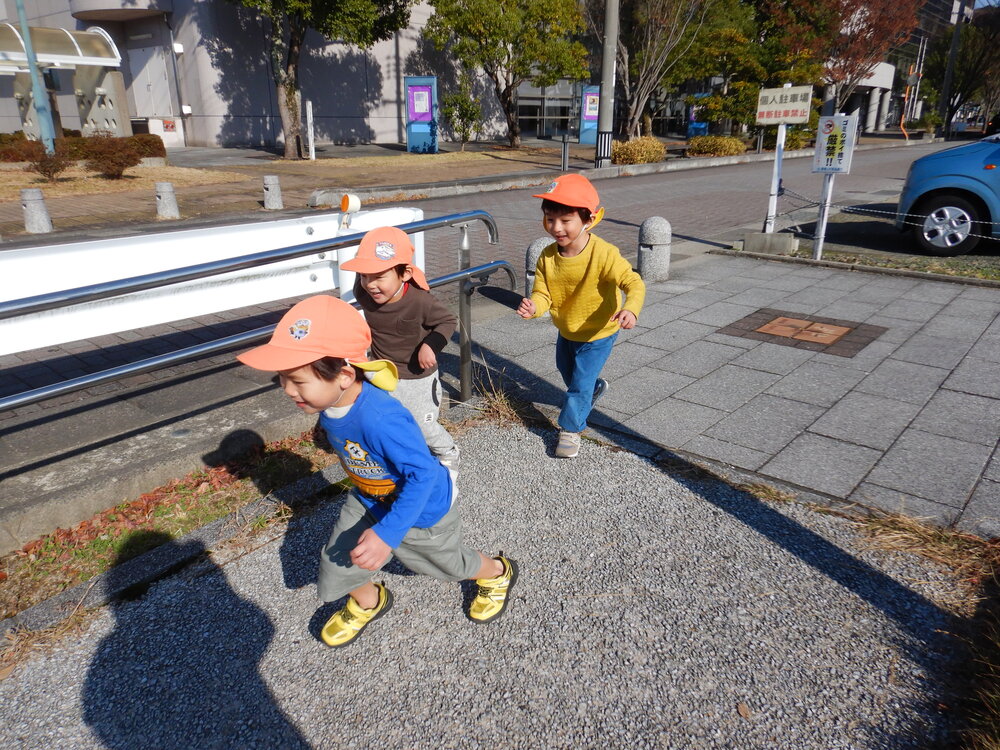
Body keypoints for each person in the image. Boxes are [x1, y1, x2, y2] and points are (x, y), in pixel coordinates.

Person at [236, 295, 517, 649]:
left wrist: (387, 534)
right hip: (371, 496)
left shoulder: (380, 419)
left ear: (344, 374)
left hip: (422, 507)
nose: (287, 390)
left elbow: (424, 475)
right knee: (338, 558)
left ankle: (497, 572)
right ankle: (369, 601)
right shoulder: (331, 404)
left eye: (297, 381)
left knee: (448, 564)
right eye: (282, 378)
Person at [517, 173, 645, 459]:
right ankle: (594, 388)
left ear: (590, 219)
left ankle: (570, 430)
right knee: (568, 374)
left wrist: (630, 308)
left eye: (565, 220)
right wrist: (534, 307)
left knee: (578, 386)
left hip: (600, 331)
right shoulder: (547, 256)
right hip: (568, 329)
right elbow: (543, 293)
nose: (556, 227)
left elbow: (633, 282)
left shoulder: (604, 254)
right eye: (550, 219)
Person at [341, 226, 462, 470]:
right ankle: (397, 459)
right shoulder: (364, 293)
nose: (370, 285)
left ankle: (448, 452)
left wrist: (430, 345)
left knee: (423, 425)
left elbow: (447, 321)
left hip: (417, 375)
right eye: (364, 276)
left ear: (405, 274)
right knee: (384, 421)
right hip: (381, 372)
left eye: (379, 277)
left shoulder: (420, 301)